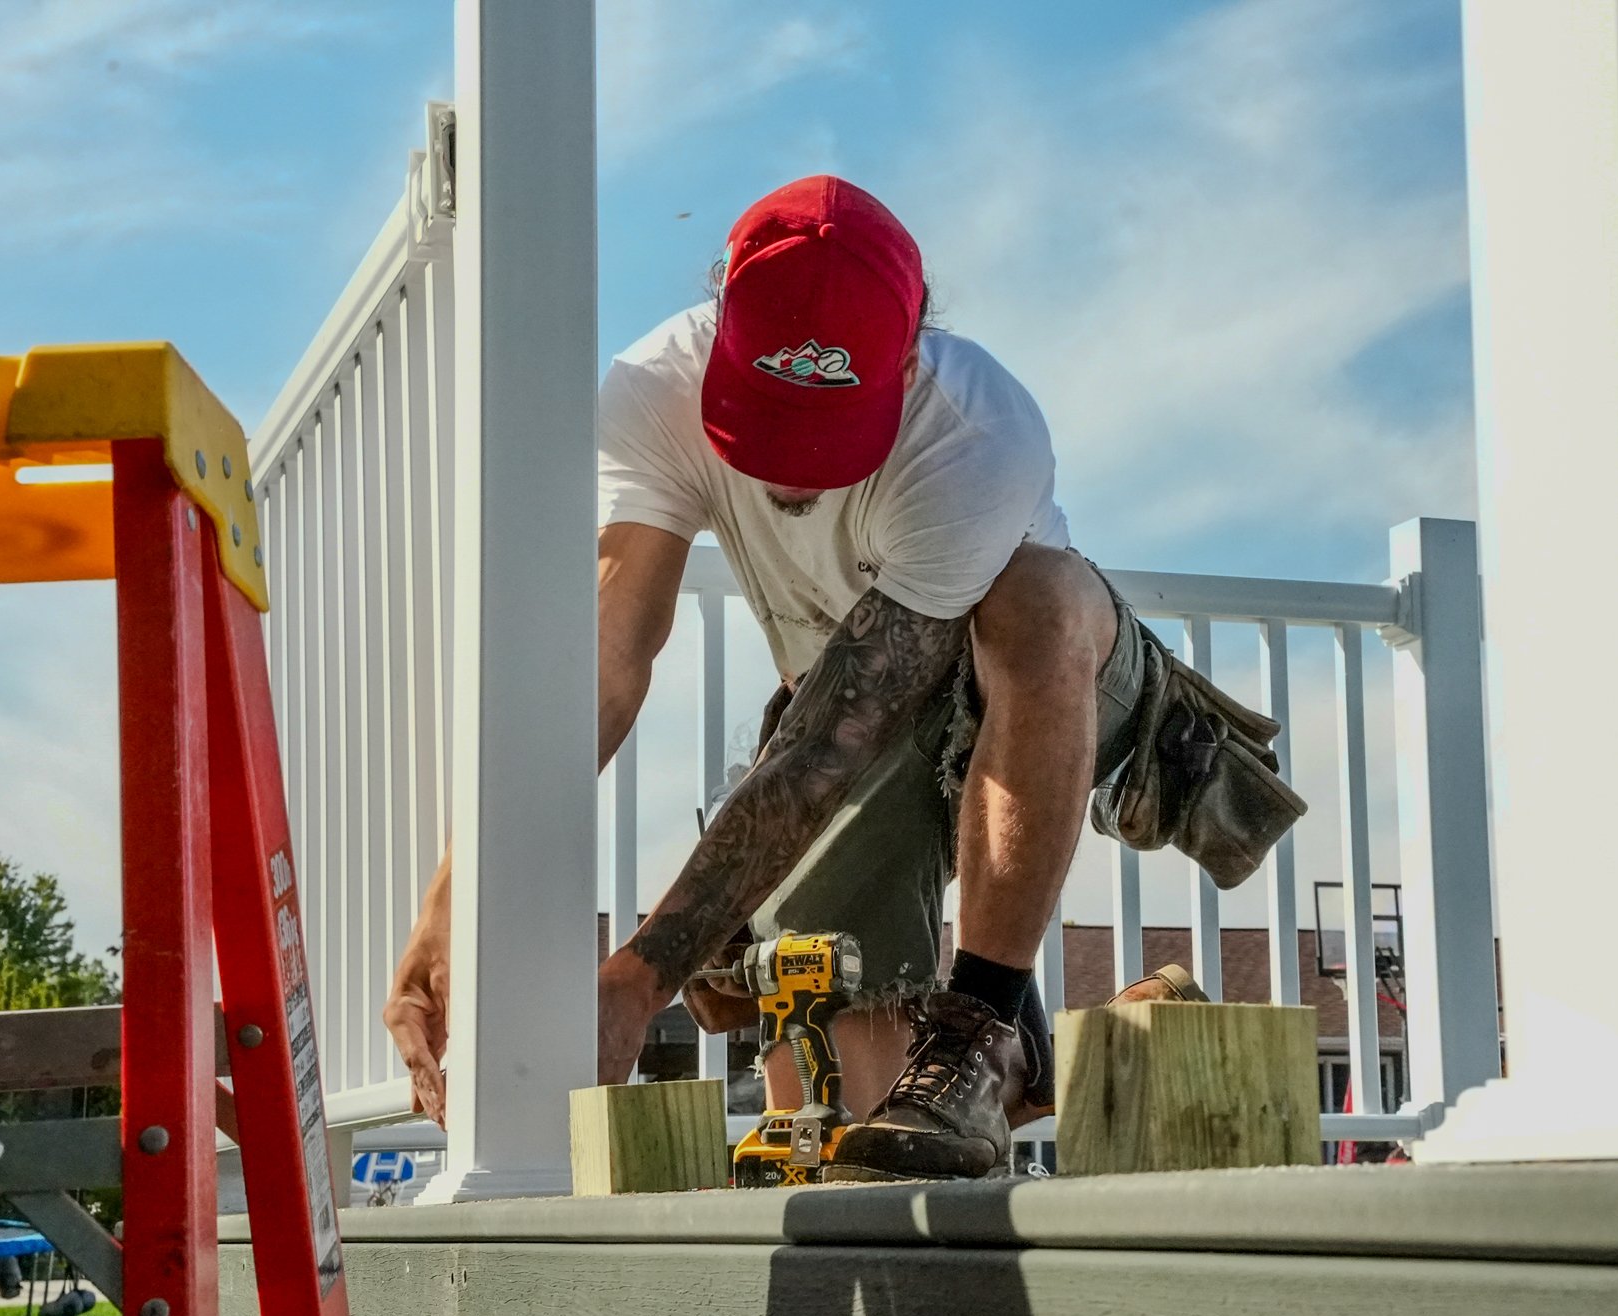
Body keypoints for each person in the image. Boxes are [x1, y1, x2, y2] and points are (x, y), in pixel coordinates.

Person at [384, 174, 1159, 1180]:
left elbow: (846, 735)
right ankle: (1024, 1064)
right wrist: (455, 895)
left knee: (1034, 601)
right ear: (719, 326)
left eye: (825, 435)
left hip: (1040, 688)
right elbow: (608, 665)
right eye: (765, 421)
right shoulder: (653, 387)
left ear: (909, 352)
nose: (791, 474)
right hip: (833, 698)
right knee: (818, 1032)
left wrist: (638, 975)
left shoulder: (973, 432)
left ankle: (973, 1036)